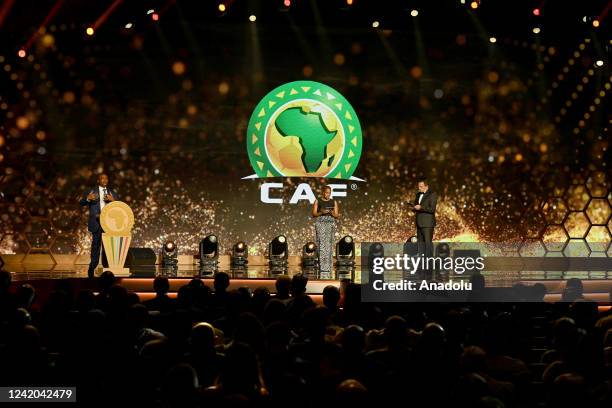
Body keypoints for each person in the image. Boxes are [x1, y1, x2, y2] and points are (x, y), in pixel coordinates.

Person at [79, 173, 118, 278]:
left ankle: (107, 270)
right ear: (98, 180)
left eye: (106, 178)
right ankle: (92, 267)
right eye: (102, 178)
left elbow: (119, 207)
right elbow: (81, 202)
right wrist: (88, 198)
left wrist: (113, 201)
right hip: (96, 222)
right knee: (96, 245)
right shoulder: (91, 191)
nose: (104, 180)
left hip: (109, 223)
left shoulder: (112, 192)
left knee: (108, 247)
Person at [311, 185, 339, 274]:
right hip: (320, 223)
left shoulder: (333, 202)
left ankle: (329, 267)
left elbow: (337, 215)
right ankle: (322, 267)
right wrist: (321, 212)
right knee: (321, 245)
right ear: (322, 192)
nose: (328, 194)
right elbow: (314, 214)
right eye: (326, 192)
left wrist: (331, 212)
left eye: (329, 193)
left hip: (330, 223)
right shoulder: (317, 201)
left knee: (329, 244)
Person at [413, 179, 437, 275]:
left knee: (428, 246)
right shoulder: (418, 194)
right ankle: (421, 267)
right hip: (419, 223)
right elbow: (416, 205)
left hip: (427, 224)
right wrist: (413, 208)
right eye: (418, 186)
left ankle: (429, 268)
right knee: (420, 247)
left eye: (421, 187)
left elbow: (432, 209)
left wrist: (421, 208)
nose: (419, 188)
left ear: (426, 186)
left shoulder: (432, 194)